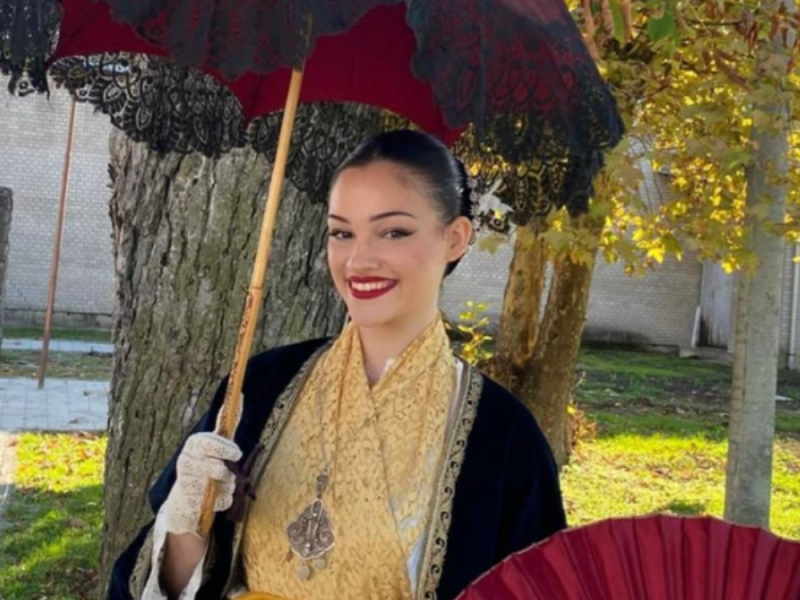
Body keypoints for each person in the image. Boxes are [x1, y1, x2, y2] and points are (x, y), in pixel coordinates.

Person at [109, 129, 567, 600]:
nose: (358, 260)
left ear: (455, 238)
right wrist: (186, 526)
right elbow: (166, 583)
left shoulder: (504, 440)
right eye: (341, 233)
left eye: (393, 232)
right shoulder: (260, 386)